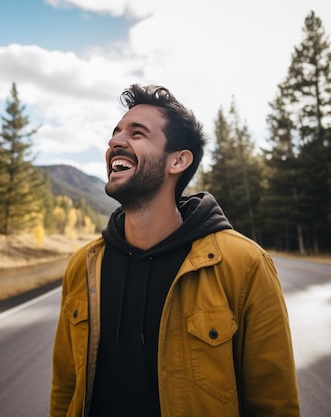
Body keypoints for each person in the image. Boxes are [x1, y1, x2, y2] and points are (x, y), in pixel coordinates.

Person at [50, 84, 300, 417]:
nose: (115, 142)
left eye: (137, 134)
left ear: (178, 160)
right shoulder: (84, 265)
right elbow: (65, 388)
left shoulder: (245, 265)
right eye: (115, 133)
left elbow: (273, 404)